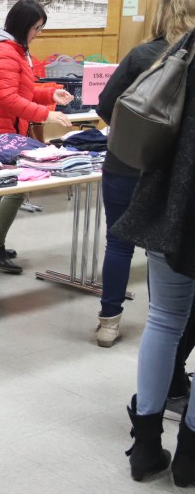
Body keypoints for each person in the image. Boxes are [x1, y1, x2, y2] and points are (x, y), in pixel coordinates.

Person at [111, 26, 195, 487]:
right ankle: (190, 458)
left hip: (170, 200)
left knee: (164, 321)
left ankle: (145, 446)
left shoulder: (187, 45)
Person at [95, 0, 195, 349]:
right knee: (162, 249)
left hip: (125, 163)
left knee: (118, 244)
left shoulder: (141, 55)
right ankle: (164, 322)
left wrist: (135, 135)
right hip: (172, 173)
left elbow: (106, 105)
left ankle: (109, 322)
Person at [0, 0, 73, 274]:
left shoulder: (11, 50)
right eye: (36, 28)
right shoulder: (5, 52)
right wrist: (45, 115)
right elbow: (7, 99)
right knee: (15, 190)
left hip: (2, 129)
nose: (38, 33)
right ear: (22, 25)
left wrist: (50, 94)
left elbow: (20, 91)